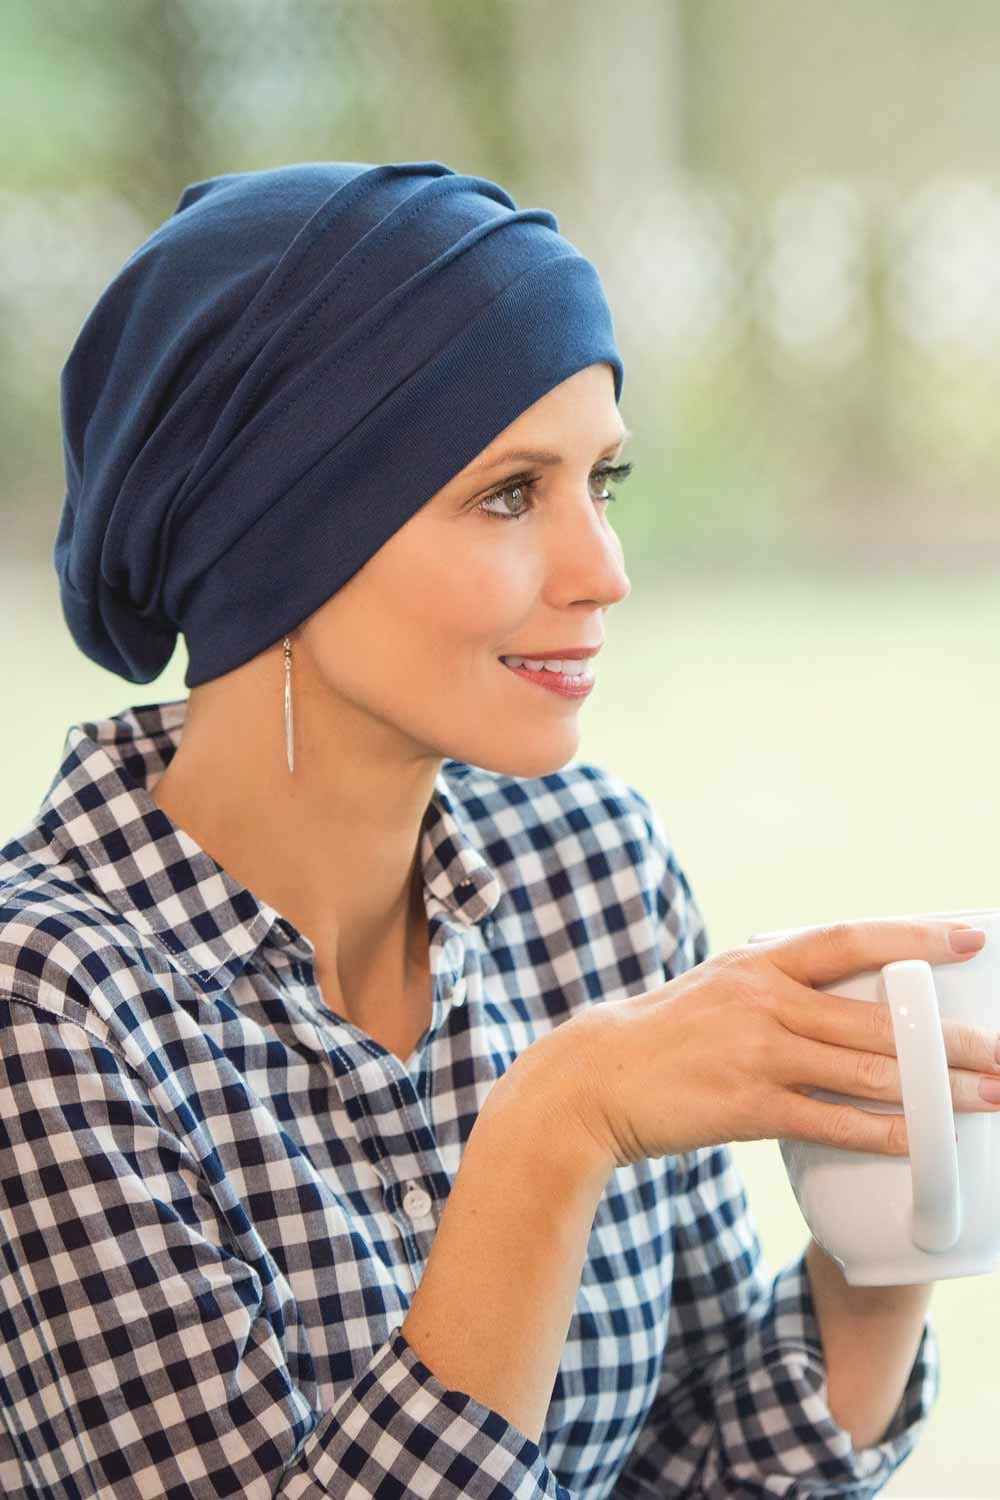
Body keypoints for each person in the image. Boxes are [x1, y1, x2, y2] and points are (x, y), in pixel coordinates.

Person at [0, 159, 996, 1500]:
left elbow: (689, 1475)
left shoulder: (592, 866)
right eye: (510, 494)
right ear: (279, 536)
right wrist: (554, 1126)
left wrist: (888, 1246)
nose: (605, 571)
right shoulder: (48, 1008)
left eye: (606, 481)